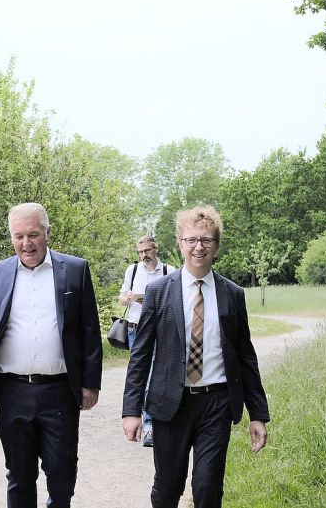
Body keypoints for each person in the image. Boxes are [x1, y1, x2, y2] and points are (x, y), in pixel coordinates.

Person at [122, 206, 269, 508]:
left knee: (207, 488)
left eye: (206, 240)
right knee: (167, 488)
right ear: (180, 243)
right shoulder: (159, 291)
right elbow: (141, 354)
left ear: (216, 246)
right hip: (170, 405)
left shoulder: (233, 294)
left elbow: (246, 357)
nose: (198, 247)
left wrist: (258, 414)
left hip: (216, 403)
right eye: (191, 240)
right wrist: (131, 410)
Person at [0, 202, 102, 508]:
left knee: (61, 472)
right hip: (11, 389)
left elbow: (89, 330)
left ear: (48, 233)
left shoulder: (74, 269)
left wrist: (91, 383)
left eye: (33, 234)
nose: (26, 243)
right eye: (18, 236)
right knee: (18, 475)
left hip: (59, 391)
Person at [118, 235, 174, 447]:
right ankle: (142, 420)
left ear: (155, 249)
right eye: (140, 252)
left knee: (154, 373)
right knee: (140, 373)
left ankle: (150, 423)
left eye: (147, 251)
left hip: (160, 330)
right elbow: (121, 296)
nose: (144, 255)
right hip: (135, 328)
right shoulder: (132, 270)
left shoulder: (169, 271)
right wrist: (129, 297)